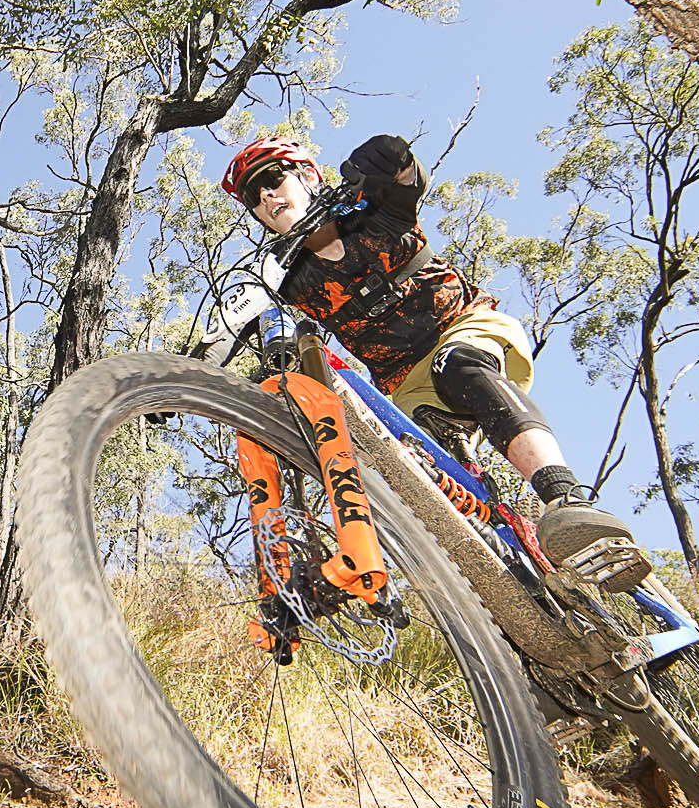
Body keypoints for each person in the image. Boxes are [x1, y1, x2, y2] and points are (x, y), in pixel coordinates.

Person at [219, 132, 653, 589]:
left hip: (465, 329)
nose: (265, 195)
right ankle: (511, 586)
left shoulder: (371, 214)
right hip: (406, 385)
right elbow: (230, 326)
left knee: (457, 364)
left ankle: (564, 501)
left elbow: (406, 183)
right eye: (253, 195)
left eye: (271, 178)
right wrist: (179, 379)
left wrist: (393, 159)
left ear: (308, 175)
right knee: (408, 469)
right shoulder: (283, 277)